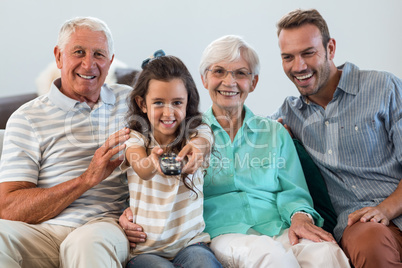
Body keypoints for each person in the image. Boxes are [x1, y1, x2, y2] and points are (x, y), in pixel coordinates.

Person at [121, 35, 350, 268]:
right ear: (204, 79)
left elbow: (294, 190)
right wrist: (128, 211)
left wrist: (300, 216)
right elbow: (152, 180)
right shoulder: (187, 134)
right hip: (225, 231)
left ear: (254, 82)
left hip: (278, 225)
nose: (229, 82)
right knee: (270, 256)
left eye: (241, 73)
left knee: (326, 254)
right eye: (219, 72)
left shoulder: (274, 132)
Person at [0, 17, 144, 267]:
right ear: (58, 57)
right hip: (41, 233)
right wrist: (86, 179)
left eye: (99, 54)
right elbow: (9, 208)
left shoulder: (132, 102)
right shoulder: (26, 118)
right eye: (78, 52)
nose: (89, 64)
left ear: (110, 62)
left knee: (85, 244)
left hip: (103, 225)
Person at [271, 8, 402, 268]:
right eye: (288, 57)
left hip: (393, 205)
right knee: (369, 242)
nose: (299, 66)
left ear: (330, 48)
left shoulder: (383, 87)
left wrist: (386, 209)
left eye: (308, 53)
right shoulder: (288, 115)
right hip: (361, 228)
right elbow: (238, 133)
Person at [121, 52, 221, 267]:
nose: (169, 112)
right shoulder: (134, 138)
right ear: (142, 104)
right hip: (146, 251)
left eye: (177, 102)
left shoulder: (199, 131)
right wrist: (152, 162)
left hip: (192, 244)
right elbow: (140, 166)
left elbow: (203, 142)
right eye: (158, 102)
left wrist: (197, 149)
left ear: (188, 103)